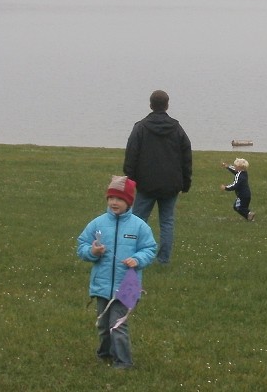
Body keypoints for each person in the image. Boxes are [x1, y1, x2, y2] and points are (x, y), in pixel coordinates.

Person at [77, 175, 157, 369]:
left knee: (117, 325)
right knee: (104, 326)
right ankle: (105, 353)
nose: (114, 202)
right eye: (111, 198)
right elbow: (82, 245)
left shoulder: (139, 226)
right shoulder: (97, 224)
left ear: (129, 202)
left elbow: (150, 248)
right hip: (102, 285)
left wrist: (137, 259)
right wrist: (92, 252)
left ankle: (123, 362)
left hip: (127, 285)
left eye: (120, 199)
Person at [123, 90, 192, 264]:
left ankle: (133, 255)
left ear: (151, 105)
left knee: (137, 220)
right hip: (171, 184)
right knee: (167, 222)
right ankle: (163, 259)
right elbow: (186, 156)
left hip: (146, 184)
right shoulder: (177, 128)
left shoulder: (141, 127)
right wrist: (185, 182)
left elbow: (131, 154)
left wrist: (129, 178)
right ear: (167, 105)